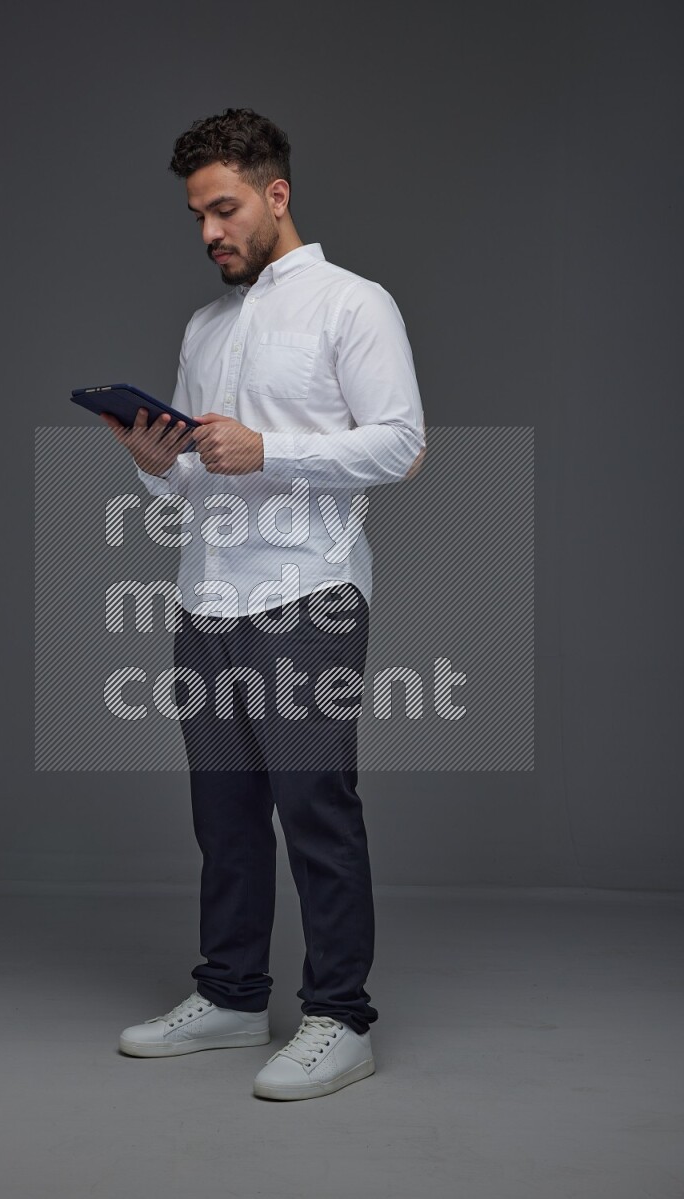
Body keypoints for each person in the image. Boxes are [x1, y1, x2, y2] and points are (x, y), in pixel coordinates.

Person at [104, 107, 426, 1100]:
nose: (209, 231)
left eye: (224, 208)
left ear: (275, 195)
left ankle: (339, 1016)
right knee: (226, 814)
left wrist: (269, 448)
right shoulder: (203, 326)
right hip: (205, 595)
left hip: (306, 596)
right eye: (198, 214)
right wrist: (158, 466)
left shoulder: (351, 305)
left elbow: (400, 442)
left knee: (314, 808)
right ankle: (233, 995)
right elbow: (200, 481)